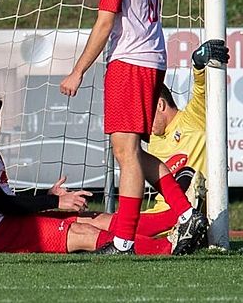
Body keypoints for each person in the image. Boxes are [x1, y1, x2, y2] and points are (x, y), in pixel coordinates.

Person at [59, 0, 205, 254]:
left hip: (131, 59)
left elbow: (105, 21)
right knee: (130, 150)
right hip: (150, 54)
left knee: (125, 151)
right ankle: (185, 210)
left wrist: (78, 71)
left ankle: (124, 238)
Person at [0, 90, 179, 255]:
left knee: (98, 219)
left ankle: (177, 220)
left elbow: (6, 204)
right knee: (82, 232)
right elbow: (4, 205)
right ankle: (167, 249)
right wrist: (55, 200)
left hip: (7, 223)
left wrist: (48, 194)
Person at [82, 39, 228, 240]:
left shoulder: (193, 118)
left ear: (159, 105)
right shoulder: (152, 141)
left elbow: (203, 90)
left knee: (96, 226)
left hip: (178, 216)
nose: (141, 120)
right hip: (159, 214)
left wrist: (198, 65)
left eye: (144, 112)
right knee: (87, 220)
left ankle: (182, 228)